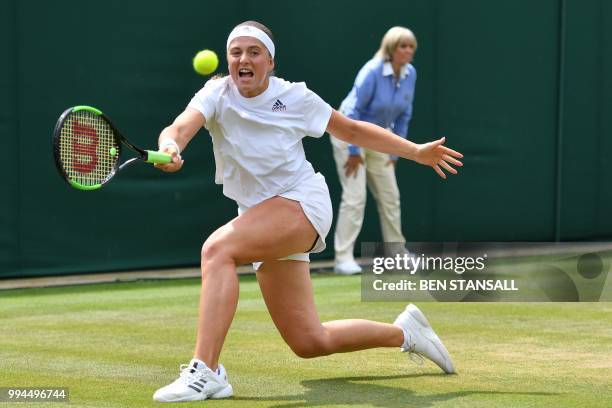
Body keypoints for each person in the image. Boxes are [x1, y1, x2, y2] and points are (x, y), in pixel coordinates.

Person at [151, 21, 463, 402]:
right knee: (310, 340)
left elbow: (351, 130)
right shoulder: (216, 93)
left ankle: (206, 371)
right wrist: (170, 146)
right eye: (236, 52)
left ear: (270, 61)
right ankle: (406, 333)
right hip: (261, 216)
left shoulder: (294, 97)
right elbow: (180, 127)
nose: (243, 59)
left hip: (301, 203)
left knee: (217, 250)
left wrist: (414, 151)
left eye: (254, 52)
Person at [331, 26, 419, 275]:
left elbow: (405, 114)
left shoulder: (411, 74)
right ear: (391, 48)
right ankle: (343, 259)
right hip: (349, 137)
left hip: (380, 140)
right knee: (355, 198)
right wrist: (354, 150)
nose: (408, 51)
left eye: (411, 46)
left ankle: (397, 254)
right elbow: (351, 112)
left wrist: (396, 151)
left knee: (391, 197)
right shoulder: (371, 71)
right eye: (403, 46)